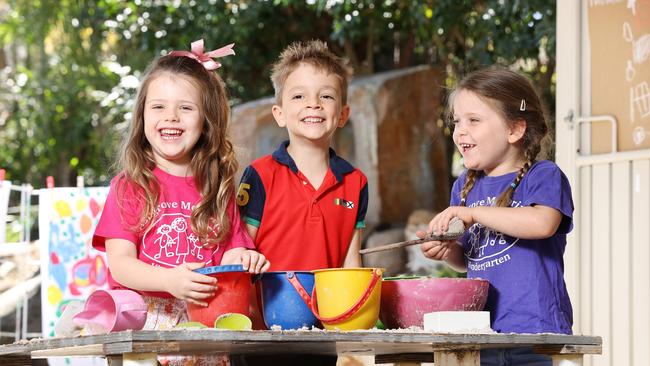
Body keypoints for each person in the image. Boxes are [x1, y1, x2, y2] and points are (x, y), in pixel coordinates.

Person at [92, 39, 269, 366]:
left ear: (206, 121)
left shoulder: (218, 188)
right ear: (142, 115)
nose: (171, 117)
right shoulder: (129, 186)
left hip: (207, 324)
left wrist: (245, 258)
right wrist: (168, 281)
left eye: (185, 108)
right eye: (158, 107)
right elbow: (120, 264)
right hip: (144, 331)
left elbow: (230, 250)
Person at [417, 68, 574, 366]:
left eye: (473, 120)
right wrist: (448, 251)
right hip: (482, 333)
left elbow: (542, 223)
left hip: (536, 334)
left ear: (514, 129)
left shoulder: (543, 176)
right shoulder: (464, 186)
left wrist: (474, 213)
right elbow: (468, 259)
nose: (460, 131)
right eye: (456, 122)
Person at [233, 40, 368, 366]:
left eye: (326, 95)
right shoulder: (260, 175)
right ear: (279, 114)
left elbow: (352, 264)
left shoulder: (356, 183)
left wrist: (353, 336)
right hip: (260, 334)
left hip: (322, 336)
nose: (314, 104)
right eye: (299, 96)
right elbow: (239, 248)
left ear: (343, 114)